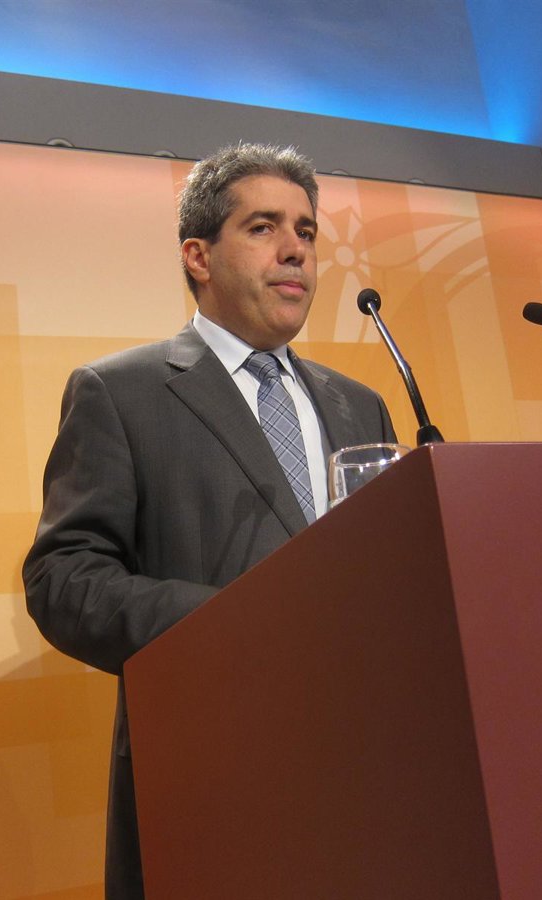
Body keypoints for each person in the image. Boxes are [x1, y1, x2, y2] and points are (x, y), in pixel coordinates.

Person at [23, 143, 397, 898]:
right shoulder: (120, 393)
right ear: (198, 256)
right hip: (211, 778)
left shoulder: (362, 405)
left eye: (306, 231)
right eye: (263, 227)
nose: (295, 250)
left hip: (368, 775)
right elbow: (63, 579)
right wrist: (229, 622)